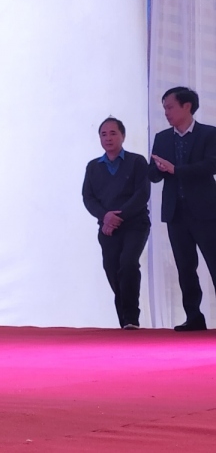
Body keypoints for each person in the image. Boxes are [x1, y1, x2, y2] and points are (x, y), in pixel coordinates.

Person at [149, 87, 216, 332]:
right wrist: (158, 169)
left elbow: (211, 166)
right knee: (185, 267)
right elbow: (153, 174)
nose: (166, 113)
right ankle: (194, 317)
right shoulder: (163, 138)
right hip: (175, 212)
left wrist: (176, 170)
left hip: (206, 212)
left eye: (170, 107)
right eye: (164, 108)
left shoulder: (209, 134)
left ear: (187, 106)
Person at [81, 117, 151, 329]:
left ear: (123, 136)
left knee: (128, 264)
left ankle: (131, 318)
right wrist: (105, 217)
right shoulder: (93, 167)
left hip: (135, 224)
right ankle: (125, 322)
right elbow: (88, 197)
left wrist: (117, 217)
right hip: (107, 227)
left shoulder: (137, 162)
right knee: (112, 268)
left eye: (113, 133)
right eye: (103, 134)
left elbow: (142, 194)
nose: (108, 138)